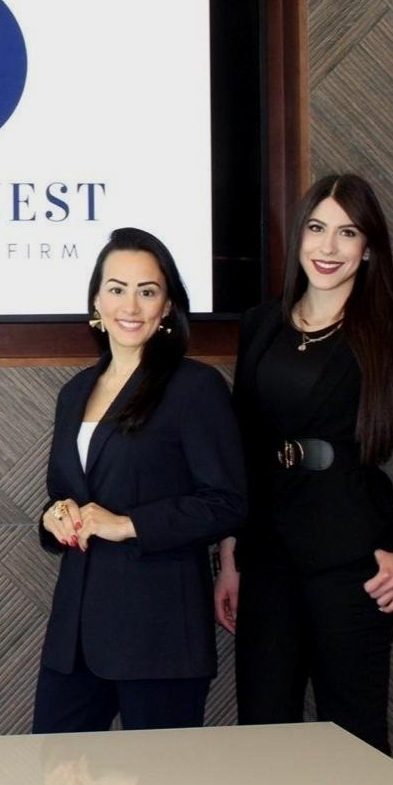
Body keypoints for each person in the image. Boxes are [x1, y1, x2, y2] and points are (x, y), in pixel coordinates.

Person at [213, 173, 393, 754]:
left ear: (368, 248)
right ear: (298, 237)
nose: (328, 247)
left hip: (353, 561)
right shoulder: (261, 325)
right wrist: (228, 553)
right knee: (264, 737)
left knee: (355, 737)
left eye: (347, 233)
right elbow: (241, 446)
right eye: (317, 229)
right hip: (266, 558)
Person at [32, 227, 246, 733]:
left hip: (160, 635)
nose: (130, 304)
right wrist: (53, 517)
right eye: (116, 288)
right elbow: (65, 495)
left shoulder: (195, 388)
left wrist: (128, 524)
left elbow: (229, 503)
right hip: (75, 639)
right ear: (96, 301)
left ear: (167, 307)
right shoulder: (74, 392)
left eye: (147, 291)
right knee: (53, 770)